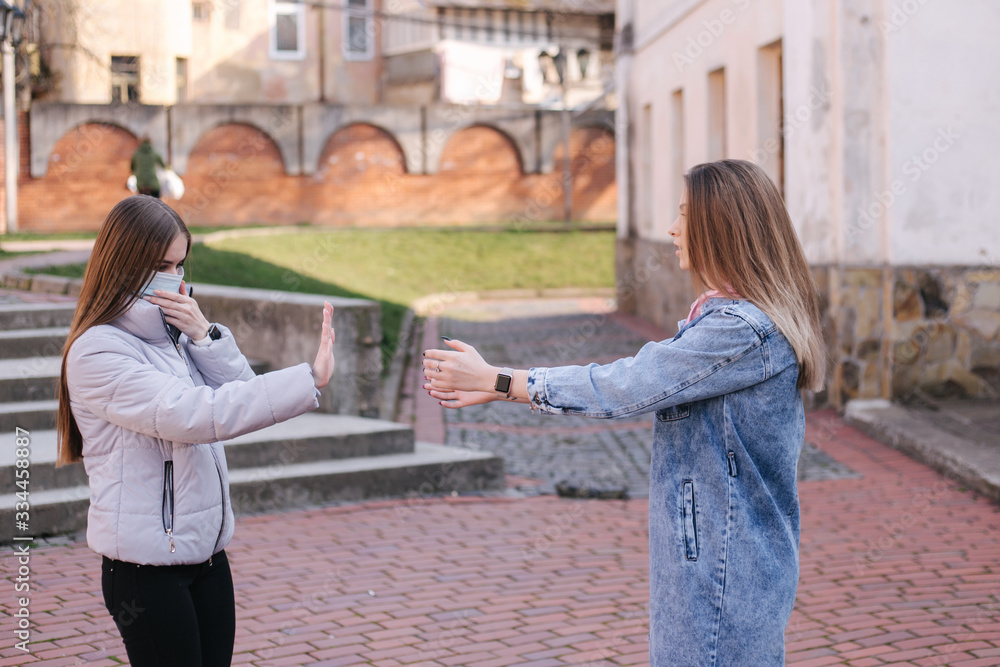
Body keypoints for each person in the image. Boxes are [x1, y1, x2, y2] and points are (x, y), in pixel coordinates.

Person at [422, 159, 827, 666]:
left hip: (724, 569)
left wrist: (502, 382)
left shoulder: (742, 331)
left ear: (722, 227)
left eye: (685, 214)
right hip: (716, 561)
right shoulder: (727, 319)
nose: (673, 228)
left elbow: (629, 384)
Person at [56, 195, 336, 667]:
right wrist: (309, 378)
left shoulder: (175, 336)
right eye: (161, 265)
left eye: (180, 264)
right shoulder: (98, 352)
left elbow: (243, 395)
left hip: (206, 555)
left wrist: (205, 337)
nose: (174, 277)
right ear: (124, 263)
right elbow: (196, 416)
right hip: (145, 572)